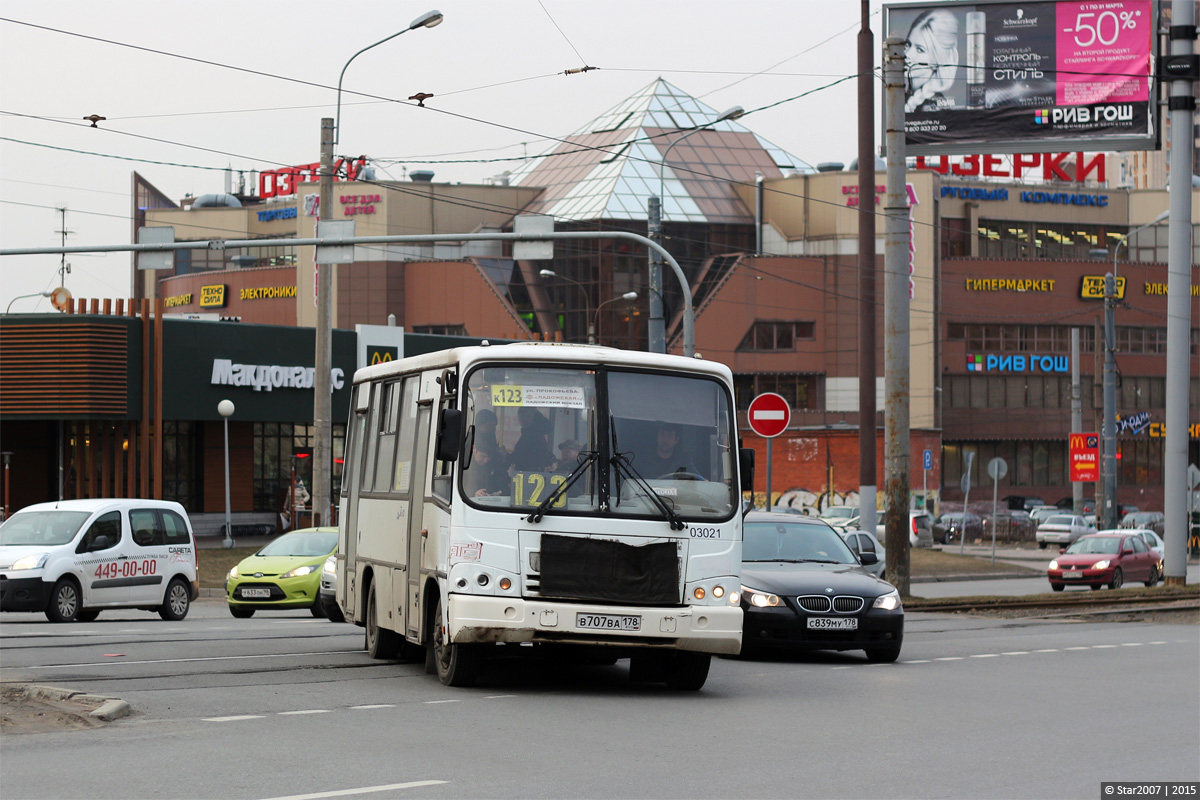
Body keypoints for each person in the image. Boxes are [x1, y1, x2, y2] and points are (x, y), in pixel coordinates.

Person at [903, 8, 959, 113]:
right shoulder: (904, 98)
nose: (907, 54)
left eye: (920, 50)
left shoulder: (933, 107)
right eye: (907, 45)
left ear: (936, 62)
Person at [464, 409, 508, 497]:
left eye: (494, 426)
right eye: (490, 425)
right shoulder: (465, 458)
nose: (486, 460)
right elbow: (460, 484)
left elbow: (502, 481)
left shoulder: (496, 458)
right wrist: (474, 493)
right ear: (473, 449)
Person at [509, 407, 555, 473]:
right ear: (518, 418)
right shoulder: (526, 434)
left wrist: (508, 457)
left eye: (528, 416)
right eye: (522, 416)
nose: (525, 419)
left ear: (534, 418)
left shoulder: (535, 434)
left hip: (531, 473)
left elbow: (524, 456)